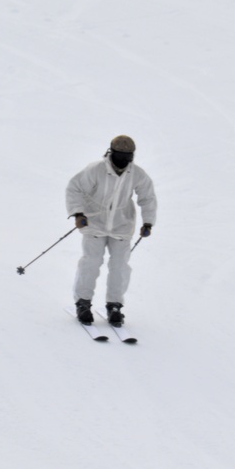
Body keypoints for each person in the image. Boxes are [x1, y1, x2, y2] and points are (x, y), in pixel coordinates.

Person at [66, 134, 157, 326]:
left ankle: (114, 305)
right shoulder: (96, 169)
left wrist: (148, 222)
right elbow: (75, 188)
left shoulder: (137, 174)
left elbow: (147, 197)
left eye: (128, 157)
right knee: (91, 263)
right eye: (120, 156)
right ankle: (83, 303)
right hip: (94, 224)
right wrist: (78, 213)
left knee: (120, 267)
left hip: (122, 226)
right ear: (111, 153)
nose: (124, 161)